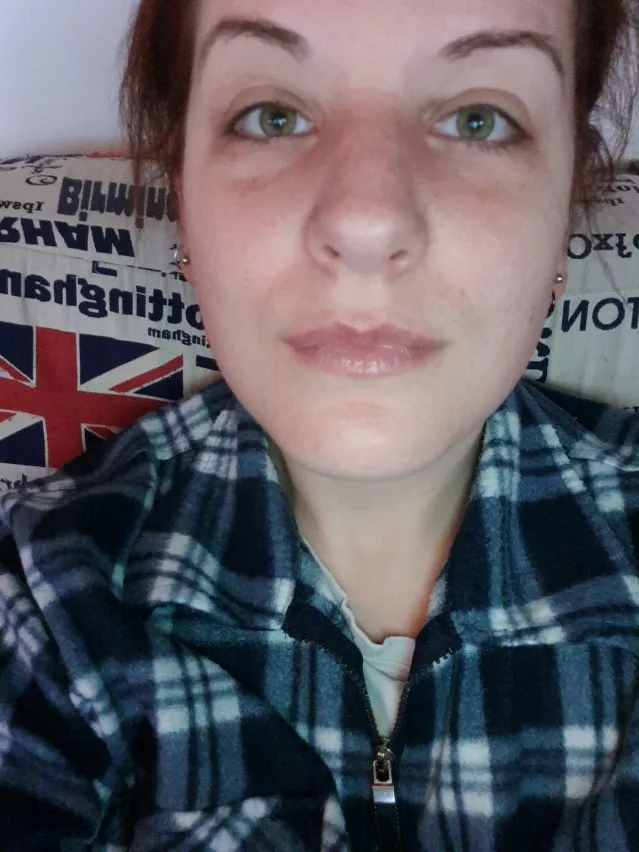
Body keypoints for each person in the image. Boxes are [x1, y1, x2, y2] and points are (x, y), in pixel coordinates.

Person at [1, 0, 639, 848]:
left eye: (478, 120)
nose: (365, 222)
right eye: (272, 117)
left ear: (565, 210)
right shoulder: (46, 586)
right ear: (183, 197)